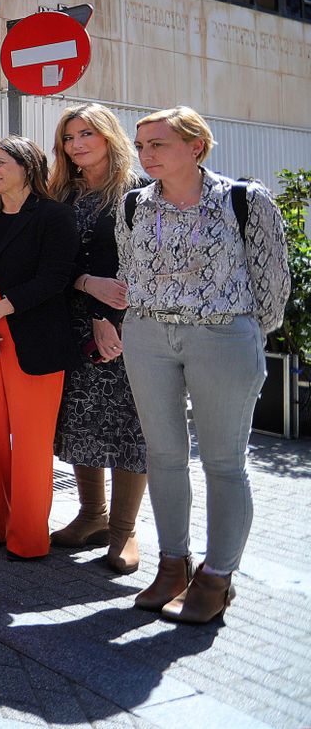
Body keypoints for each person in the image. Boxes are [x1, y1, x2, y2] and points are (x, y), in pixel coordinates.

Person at [117, 107, 289, 624]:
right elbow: (128, 270)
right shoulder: (133, 206)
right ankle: (174, 565)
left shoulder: (244, 200)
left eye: (159, 144)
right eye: (142, 144)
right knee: (164, 454)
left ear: (196, 146)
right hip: (147, 334)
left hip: (222, 335)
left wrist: (246, 335)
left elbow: (272, 281)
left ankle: (216, 577)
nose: (147, 154)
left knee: (223, 461)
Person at [0, 136, 77, 560]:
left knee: (30, 440)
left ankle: (27, 538)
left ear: (28, 167)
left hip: (32, 334)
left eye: (0, 162)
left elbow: (55, 278)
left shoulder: (54, 216)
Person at [46, 105, 148, 574]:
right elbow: (48, 265)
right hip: (71, 326)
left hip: (128, 329)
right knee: (80, 421)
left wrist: (109, 316)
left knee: (129, 426)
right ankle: (92, 515)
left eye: (87, 133)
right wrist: (87, 289)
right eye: (69, 137)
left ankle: (125, 532)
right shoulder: (59, 194)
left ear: (109, 136)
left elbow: (142, 265)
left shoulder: (138, 192)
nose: (77, 144)